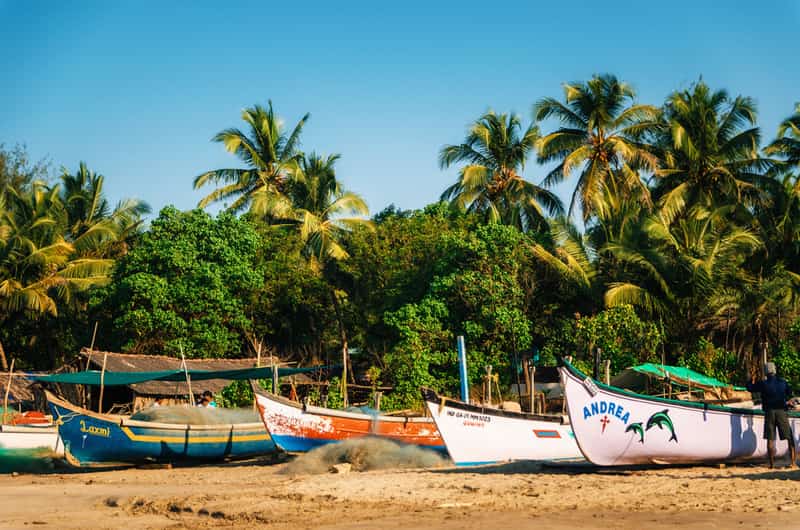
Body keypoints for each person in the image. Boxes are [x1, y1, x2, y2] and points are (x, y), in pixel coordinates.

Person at [746, 362, 796, 469]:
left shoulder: (763, 383)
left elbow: (750, 388)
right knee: (789, 437)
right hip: (781, 411)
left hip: (769, 412)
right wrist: (787, 401)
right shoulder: (783, 382)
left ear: (766, 372)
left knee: (770, 438)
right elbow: (790, 393)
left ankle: (772, 465)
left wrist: (750, 378)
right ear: (775, 371)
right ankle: (792, 463)